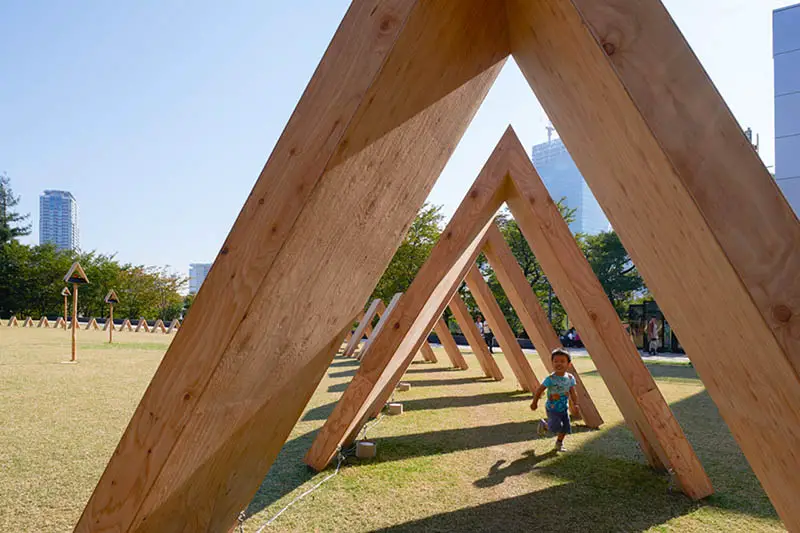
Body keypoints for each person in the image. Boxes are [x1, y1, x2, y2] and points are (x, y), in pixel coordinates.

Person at [531, 348, 578, 452]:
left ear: (569, 364)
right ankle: (545, 425)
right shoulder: (550, 379)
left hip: (563, 408)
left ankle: (559, 444)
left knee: (565, 428)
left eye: (562, 361)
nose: (558, 364)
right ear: (552, 363)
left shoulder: (570, 378)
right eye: (555, 361)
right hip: (552, 408)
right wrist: (534, 402)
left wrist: (575, 403)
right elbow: (539, 390)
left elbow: (572, 391)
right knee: (556, 427)